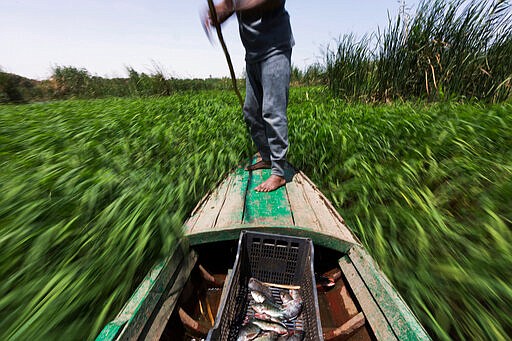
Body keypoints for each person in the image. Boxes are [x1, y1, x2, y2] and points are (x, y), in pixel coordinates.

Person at [203, 0, 294, 192]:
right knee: (251, 111)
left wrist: (230, 8)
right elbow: (228, 5)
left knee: (272, 111)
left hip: (275, 49)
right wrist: (218, 14)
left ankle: (278, 173)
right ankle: (267, 157)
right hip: (253, 54)